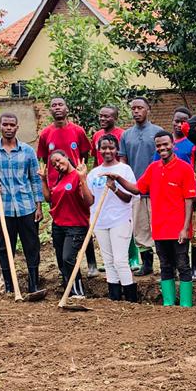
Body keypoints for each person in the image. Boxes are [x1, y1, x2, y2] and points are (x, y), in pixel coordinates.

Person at [111, 131, 196, 307]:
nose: (162, 148)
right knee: (165, 265)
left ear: (173, 145)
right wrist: (118, 179)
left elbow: (189, 201)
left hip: (179, 228)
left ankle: (186, 304)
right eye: (159, 145)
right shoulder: (153, 168)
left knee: (182, 265)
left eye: (165, 144)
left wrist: (185, 227)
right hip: (159, 228)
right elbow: (137, 189)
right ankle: (168, 302)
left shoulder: (184, 168)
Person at [0, 113, 43, 295]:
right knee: (4, 246)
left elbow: (35, 179)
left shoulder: (27, 151)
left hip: (26, 206)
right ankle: (9, 284)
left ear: (17, 127)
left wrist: (39, 205)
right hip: (3, 208)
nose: (8, 128)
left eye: (12, 125)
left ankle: (33, 283)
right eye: (5, 125)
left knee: (31, 245)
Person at [88, 134, 138, 302]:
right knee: (108, 261)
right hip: (100, 221)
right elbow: (90, 200)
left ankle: (131, 300)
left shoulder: (124, 170)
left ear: (117, 150)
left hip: (120, 220)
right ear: (98, 150)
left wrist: (114, 187)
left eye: (111, 147)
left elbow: (129, 197)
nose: (107, 151)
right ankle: (114, 299)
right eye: (104, 148)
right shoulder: (94, 173)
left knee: (120, 260)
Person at [119, 97, 164, 276]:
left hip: (157, 190)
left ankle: (167, 265)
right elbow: (123, 160)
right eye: (133, 108)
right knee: (140, 228)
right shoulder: (126, 135)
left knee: (160, 227)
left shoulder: (158, 132)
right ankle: (147, 264)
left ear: (148, 110)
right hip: (136, 189)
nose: (136, 111)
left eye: (140, 108)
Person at [42, 149, 93, 299]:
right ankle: (68, 291)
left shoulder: (77, 176)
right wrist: (43, 180)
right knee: (61, 261)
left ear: (66, 158)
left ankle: (78, 292)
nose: (57, 165)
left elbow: (89, 201)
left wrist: (83, 179)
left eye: (59, 160)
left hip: (76, 226)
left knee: (68, 258)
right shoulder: (59, 179)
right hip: (58, 226)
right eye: (53, 164)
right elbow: (48, 199)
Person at [171, 107, 196, 280]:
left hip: (190, 194)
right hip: (172, 196)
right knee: (176, 231)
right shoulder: (167, 143)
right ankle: (179, 267)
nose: (179, 124)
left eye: (183, 121)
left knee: (195, 231)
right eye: (176, 121)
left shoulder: (193, 143)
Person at [89, 105, 124, 274]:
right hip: (101, 180)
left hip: (117, 179)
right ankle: (108, 260)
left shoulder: (121, 134)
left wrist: (120, 178)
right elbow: (96, 161)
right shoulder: (96, 135)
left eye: (107, 117)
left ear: (115, 118)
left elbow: (123, 159)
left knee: (122, 221)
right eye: (101, 116)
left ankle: (131, 259)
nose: (103, 119)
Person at [37, 97, 92, 191]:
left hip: (76, 182)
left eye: (60, 105)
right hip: (55, 184)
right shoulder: (45, 134)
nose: (57, 107)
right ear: (50, 110)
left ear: (67, 109)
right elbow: (46, 160)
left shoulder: (78, 131)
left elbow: (84, 158)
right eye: (54, 106)